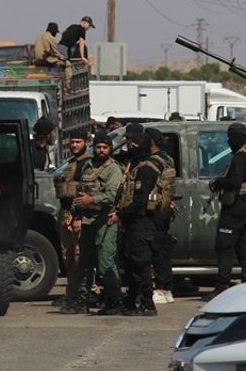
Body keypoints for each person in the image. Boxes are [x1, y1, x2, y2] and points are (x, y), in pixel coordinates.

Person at [206, 122, 246, 299]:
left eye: (230, 138)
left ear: (237, 138)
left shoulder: (240, 157)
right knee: (244, 247)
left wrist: (218, 182)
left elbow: (235, 182)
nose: (229, 142)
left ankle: (222, 285)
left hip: (235, 207)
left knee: (224, 246)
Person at [114, 127, 165, 316]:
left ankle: (147, 303)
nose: (129, 147)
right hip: (133, 223)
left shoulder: (145, 169)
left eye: (133, 144)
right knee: (130, 262)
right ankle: (131, 301)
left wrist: (120, 214)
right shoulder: (138, 166)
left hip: (142, 223)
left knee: (140, 263)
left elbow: (140, 202)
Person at [78, 131, 124, 315]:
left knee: (105, 262)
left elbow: (113, 195)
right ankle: (85, 298)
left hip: (105, 220)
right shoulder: (88, 166)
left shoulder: (113, 169)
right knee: (86, 262)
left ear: (110, 149)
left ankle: (115, 300)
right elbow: (80, 191)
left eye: (105, 147)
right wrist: (75, 213)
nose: (101, 150)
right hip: (88, 219)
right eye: (98, 147)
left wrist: (92, 200)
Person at [53, 129, 92, 313]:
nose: (74, 145)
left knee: (78, 255)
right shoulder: (71, 163)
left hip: (77, 213)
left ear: (85, 142)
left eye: (78, 142)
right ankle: (72, 293)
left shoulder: (87, 163)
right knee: (67, 255)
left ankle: (85, 294)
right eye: (72, 142)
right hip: (66, 211)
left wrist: (76, 215)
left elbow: (85, 191)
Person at [146, 127, 178, 305]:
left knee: (157, 250)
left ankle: (160, 288)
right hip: (165, 208)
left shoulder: (153, 162)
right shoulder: (168, 159)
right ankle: (166, 288)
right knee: (163, 249)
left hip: (156, 209)